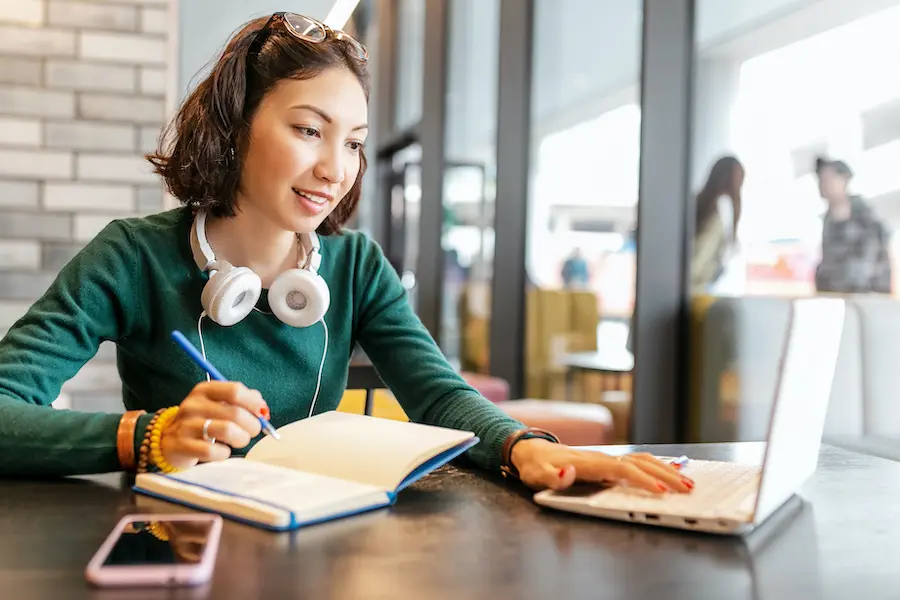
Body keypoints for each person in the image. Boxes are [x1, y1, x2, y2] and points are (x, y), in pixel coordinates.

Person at [0, 13, 691, 496]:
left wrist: (526, 448)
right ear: (236, 128)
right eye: (309, 130)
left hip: (318, 542)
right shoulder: (132, 257)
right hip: (180, 545)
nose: (336, 169)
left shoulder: (356, 266)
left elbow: (439, 393)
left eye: (355, 142)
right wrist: (146, 438)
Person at [814, 157, 892, 294]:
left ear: (844, 179)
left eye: (829, 178)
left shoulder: (864, 216)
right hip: (837, 295)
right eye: (821, 179)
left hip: (864, 297)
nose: (823, 184)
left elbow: (867, 261)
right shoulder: (829, 219)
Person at [691, 155, 744, 294]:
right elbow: (698, 262)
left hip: (698, 288)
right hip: (699, 290)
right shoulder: (720, 210)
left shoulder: (699, 203)